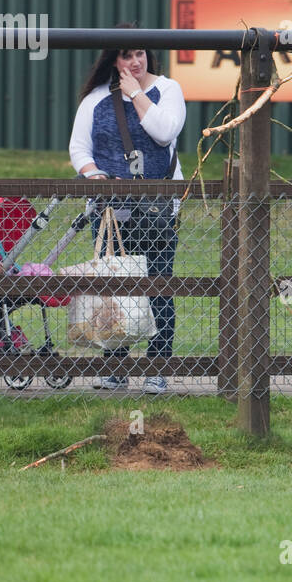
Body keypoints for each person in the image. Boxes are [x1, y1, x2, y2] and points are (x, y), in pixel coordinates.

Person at [70, 27, 186, 393]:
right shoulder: (95, 100)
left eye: (140, 53)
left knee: (158, 286)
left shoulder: (167, 90)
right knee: (113, 288)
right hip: (109, 211)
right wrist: (94, 175)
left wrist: (136, 94)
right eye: (126, 56)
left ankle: (157, 367)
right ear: (113, 61)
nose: (135, 61)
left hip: (157, 208)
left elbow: (164, 132)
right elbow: (79, 149)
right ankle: (115, 368)